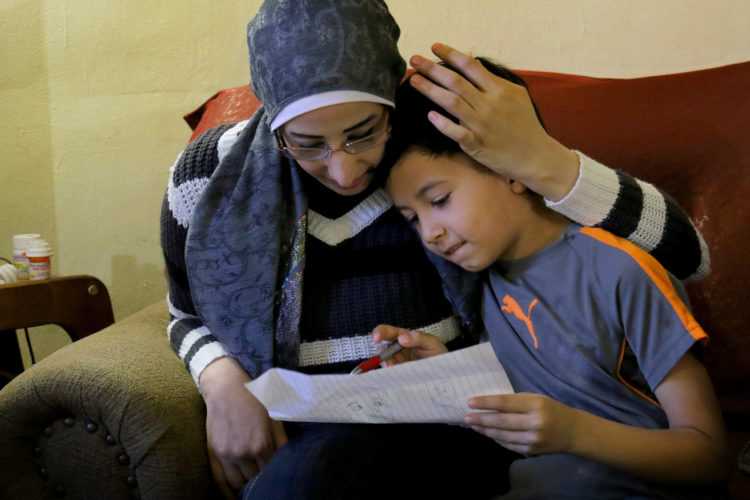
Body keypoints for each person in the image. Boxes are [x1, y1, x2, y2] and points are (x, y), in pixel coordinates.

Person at [159, 0, 711, 498]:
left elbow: (686, 259)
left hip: (445, 431)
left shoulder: (436, 145)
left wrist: (541, 157)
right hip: (301, 419)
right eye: (306, 145)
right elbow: (184, 309)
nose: (344, 170)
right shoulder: (210, 175)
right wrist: (220, 380)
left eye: (362, 132)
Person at [375, 56, 732, 499]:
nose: (430, 233)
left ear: (511, 170)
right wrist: (451, 376)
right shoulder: (480, 284)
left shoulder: (619, 269)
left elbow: (710, 458)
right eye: (412, 218)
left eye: (441, 199)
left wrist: (573, 433)